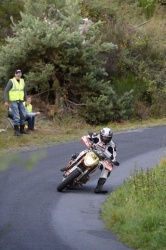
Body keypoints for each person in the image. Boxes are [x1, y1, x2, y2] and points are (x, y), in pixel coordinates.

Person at [61, 127, 118, 194]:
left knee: (108, 168)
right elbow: (84, 137)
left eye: (108, 138)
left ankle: (99, 187)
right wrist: (89, 144)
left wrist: (112, 161)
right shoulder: (96, 136)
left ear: (111, 137)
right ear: (101, 135)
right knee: (78, 154)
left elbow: (113, 156)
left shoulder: (112, 146)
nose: (106, 139)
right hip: (90, 152)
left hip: (100, 159)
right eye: (104, 137)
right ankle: (68, 167)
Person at [4, 69, 28, 136]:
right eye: (17, 73)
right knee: (16, 116)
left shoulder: (22, 81)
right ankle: (16, 132)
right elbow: (6, 91)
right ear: (15, 74)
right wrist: (6, 101)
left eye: (20, 73)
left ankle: (22, 130)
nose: (18, 74)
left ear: (21, 74)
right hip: (14, 101)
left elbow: (24, 91)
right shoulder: (11, 81)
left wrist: (25, 99)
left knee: (23, 115)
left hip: (21, 101)